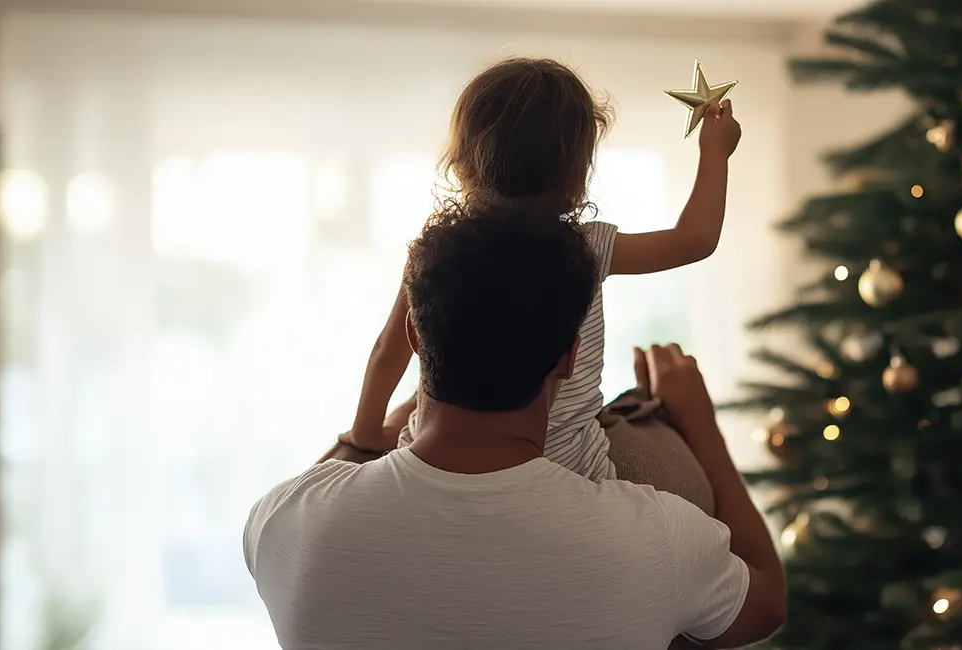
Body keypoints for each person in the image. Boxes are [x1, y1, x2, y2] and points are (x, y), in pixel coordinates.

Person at [243, 204, 785, 648]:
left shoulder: (287, 521)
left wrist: (377, 427)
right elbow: (766, 604)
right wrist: (701, 428)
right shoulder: (653, 538)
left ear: (414, 335)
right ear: (569, 357)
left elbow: (345, 467)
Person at [344, 57, 742, 485]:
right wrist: (715, 152)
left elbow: (390, 349)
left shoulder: (439, 251)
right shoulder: (587, 247)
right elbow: (695, 240)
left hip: (440, 462)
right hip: (569, 466)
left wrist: (366, 434)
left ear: (463, 156)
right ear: (576, 168)